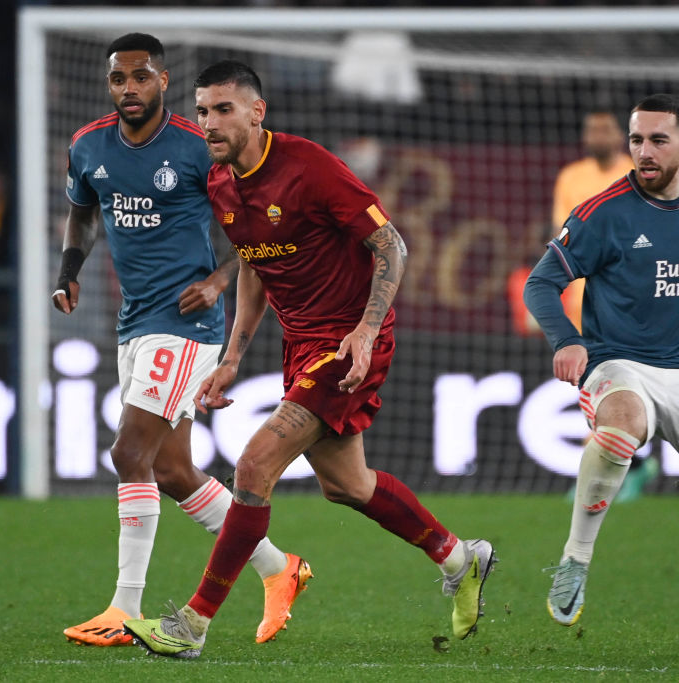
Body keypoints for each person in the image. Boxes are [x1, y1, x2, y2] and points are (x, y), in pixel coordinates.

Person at [123, 60, 496, 659]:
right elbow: (253, 265)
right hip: (298, 345)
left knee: (252, 467)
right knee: (347, 485)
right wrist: (233, 356)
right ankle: (461, 557)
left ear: (256, 111)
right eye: (201, 110)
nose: (209, 123)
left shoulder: (309, 167)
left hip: (347, 342)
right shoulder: (221, 184)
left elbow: (391, 244)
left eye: (222, 109)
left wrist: (367, 330)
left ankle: (191, 625)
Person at [53, 35, 310, 648]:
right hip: (134, 320)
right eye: (118, 80)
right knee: (170, 468)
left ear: (163, 82)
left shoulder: (199, 149)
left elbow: (245, 220)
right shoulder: (89, 145)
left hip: (187, 325)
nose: (128, 90)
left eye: (140, 78)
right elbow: (85, 211)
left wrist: (221, 279)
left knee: (128, 454)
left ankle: (123, 608)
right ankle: (280, 569)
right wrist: (69, 268)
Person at [524, 93, 679, 627]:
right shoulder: (604, 212)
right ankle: (576, 559)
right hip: (620, 365)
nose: (645, 151)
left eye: (658, 139)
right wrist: (567, 339)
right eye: (637, 140)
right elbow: (542, 282)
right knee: (621, 427)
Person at [553, 111, 657, 503]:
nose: (597, 134)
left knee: (630, 381)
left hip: (635, 299)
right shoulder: (570, 177)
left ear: (623, 135)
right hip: (584, 302)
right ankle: (629, 464)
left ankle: (610, 470)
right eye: (590, 127)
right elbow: (561, 242)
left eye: (605, 128)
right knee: (596, 386)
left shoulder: (640, 173)